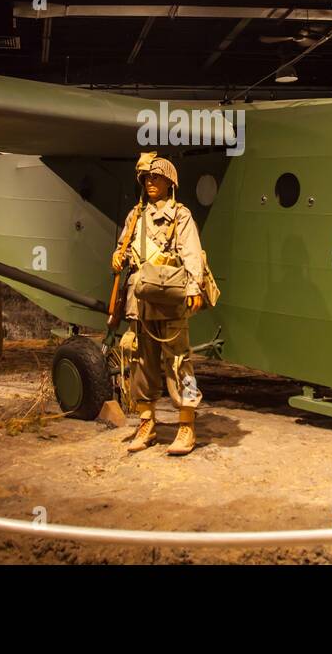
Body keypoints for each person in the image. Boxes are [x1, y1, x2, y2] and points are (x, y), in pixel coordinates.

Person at [110, 153, 206, 456]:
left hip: (170, 298)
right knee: (141, 363)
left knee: (180, 364)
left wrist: (194, 287)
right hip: (141, 300)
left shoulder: (181, 216)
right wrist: (117, 256)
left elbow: (191, 253)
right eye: (147, 178)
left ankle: (187, 423)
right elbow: (124, 248)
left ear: (169, 182)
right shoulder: (134, 216)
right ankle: (146, 422)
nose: (151, 182)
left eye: (157, 177)